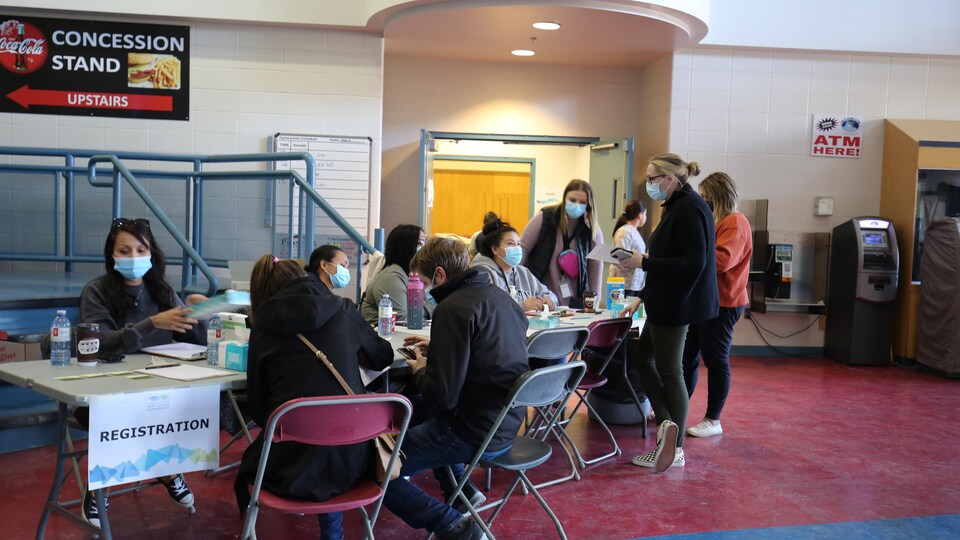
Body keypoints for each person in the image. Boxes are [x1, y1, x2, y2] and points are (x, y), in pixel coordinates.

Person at [235, 255, 394, 540]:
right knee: (331, 435)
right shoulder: (343, 310)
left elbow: (259, 410)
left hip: (287, 470)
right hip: (354, 463)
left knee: (312, 442)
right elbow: (384, 355)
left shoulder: (261, 327)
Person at [382, 237, 529, 539]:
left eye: (423, 282)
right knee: (413, 411)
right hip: (504, 421)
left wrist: (422, 369)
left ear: (439, 275)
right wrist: (441, 348)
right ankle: (460, 494)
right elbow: (488, 354)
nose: (423, 290)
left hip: (470, 430)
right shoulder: (502, 299)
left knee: (375, 465)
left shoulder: (451, 309)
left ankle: (452, 524)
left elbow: (443, 396)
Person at [77, 217, 205, 526]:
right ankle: (103, 487)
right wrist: (152, 324)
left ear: (151, 254)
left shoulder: (161, 290)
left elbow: (194, 341)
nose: (133, 257)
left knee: (198, 403)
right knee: (125, 412)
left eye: (140, 249)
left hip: (159, 384)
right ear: (112, 254)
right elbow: (97, 343)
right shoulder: (96, 291)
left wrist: (201, 314)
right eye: (125, 250)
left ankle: (167, 469)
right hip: (107, 390)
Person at [619, 153, 718, 473]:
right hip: (663, 300)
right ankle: (667, 426)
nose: (649, 185)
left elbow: (694, 262)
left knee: (670, 370)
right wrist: (643, 296)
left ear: (670, 179)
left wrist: (643, 263)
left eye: (652, 178)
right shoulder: (676, 206)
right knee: (644, 359)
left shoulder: (690, 208)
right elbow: (669, 259)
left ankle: (674, 448)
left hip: (678, 304)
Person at [682, 172, 753, 438]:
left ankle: (713, 420)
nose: (702, 200)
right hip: (706, 301)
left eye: (704, 196)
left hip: (724, 303)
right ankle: (679, 407)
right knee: (688, 357)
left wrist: (692, 251)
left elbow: (722, 261)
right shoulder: (718, 221)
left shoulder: (735, 222)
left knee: (716, 360)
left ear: (717, 195)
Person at [520, 179, 604, 307]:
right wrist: (516, 283)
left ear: (589, 205)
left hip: (575, 300)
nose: (576, 205)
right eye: (572, 200)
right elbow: (523, 248)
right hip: (542, 297)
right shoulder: (545, 218)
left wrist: (595, 300)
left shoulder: (592, 230)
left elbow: (596, 265)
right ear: (564, 198)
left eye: (582, 202)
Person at [471, 219, 558, 312]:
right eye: (511, 243)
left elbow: (549, 295)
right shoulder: (483, 275)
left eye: (518, 244)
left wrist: (551, 301)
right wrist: (522, 306)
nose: (517, 248)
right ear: (495, 249)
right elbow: (488, 310)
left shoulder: (523, 272)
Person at [360, 224, 428, 322]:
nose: (425, 248)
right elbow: (403, 319)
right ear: (406, 247)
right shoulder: (391, 277)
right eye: (420, 243)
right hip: (381, 335)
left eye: (426, 242)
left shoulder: (409, 274)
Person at [610, 200, 648, 297]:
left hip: (633, 282)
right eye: (645, 214)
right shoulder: (624, 231)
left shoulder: (633, 231)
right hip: (623, 284)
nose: (646, 217)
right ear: (639, 215)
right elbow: (621, 255)